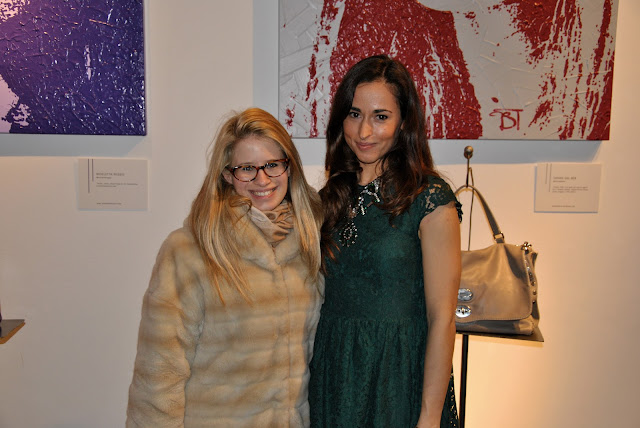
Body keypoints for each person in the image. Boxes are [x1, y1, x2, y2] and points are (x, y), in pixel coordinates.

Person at [126, 107, 324, 427]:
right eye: (247, 168)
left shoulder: (308, 244)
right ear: (227, 175)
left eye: (273, 165)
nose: (262, 179)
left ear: (289, 167)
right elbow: (160, 374)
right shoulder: (190, 251)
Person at [308, 55, 462, 428]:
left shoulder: (429, 198)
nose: (364, 131)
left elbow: (442, 319)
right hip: (335, 375)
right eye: (354, 114)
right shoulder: (329, 198)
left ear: (404, 122)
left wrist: (429, 418)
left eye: (380, 116)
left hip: (398, 377)